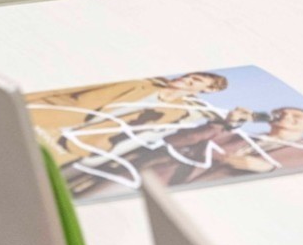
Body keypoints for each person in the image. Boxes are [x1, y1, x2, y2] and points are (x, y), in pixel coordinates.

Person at [30, 72, 229, 174]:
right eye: (187, 75)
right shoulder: (138, 81)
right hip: (44, 119)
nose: (186, 78)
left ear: (208, 90)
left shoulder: (177, 113)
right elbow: (67, 88)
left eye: (195, 79)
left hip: (73, 145)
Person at [144, 105, 303, 186]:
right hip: (160, 183)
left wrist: (272, 169)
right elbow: (173, 142)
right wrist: (226, 123)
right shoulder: (230, 135)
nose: (287, 116)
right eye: (281, 112)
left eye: (297, 116)